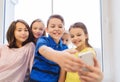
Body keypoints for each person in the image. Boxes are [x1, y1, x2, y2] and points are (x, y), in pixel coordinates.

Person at [29, 14, 85, 82]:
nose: (56, 29)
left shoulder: (65, 47)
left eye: (60, 26)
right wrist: (59, 55)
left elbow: (63, 70)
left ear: (64, 29)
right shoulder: (43, 40)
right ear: (47, 29)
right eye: (53, 26)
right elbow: (43, 50)